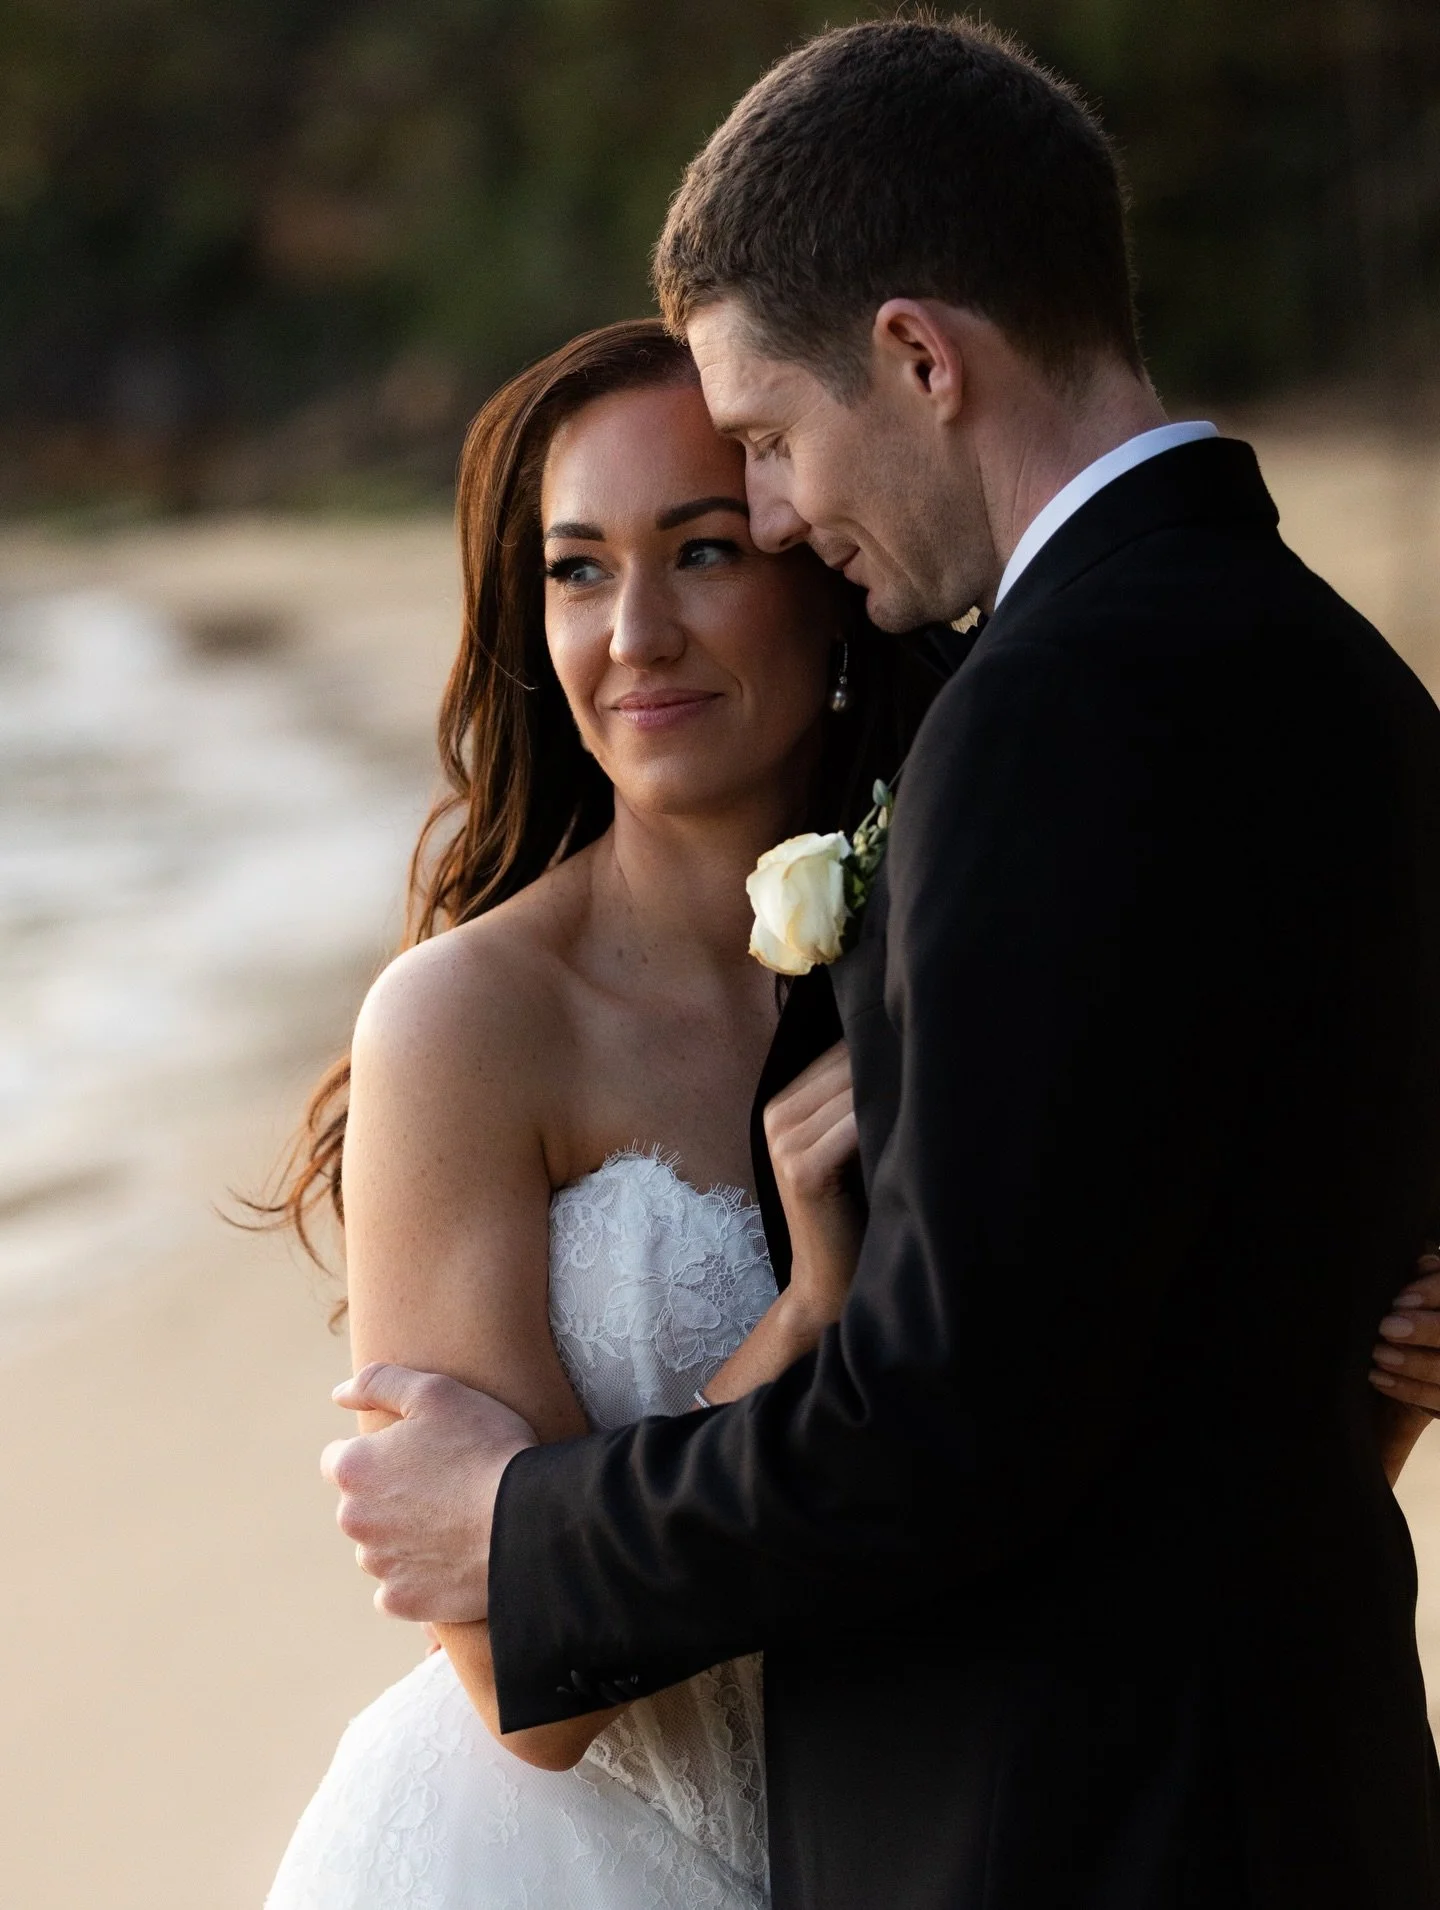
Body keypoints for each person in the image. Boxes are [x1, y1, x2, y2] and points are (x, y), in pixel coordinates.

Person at [321, 20, 1440, 1909]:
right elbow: (1174, 1291)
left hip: (1056, 1831)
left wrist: (517, 1532)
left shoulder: (1036, 719)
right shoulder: (1364, 685)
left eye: (753, 461)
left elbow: (962, 1415)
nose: (772, 515)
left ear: (921, 358)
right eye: (577, 566)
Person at [267, 317, 940, 1905]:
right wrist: (804, 1326)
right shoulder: (466, 1025)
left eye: (702, 550)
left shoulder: (953, 936)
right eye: (577, 570)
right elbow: (527, 1690)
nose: (634, 631)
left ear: (823, 572)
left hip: (929, 1824)